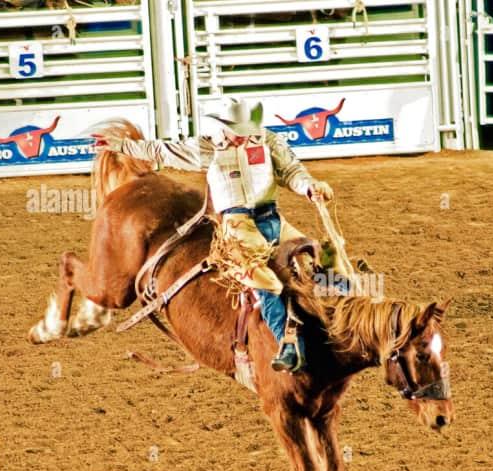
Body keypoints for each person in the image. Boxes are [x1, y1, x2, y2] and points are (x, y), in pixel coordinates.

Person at [92, 98, 334, 374]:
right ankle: (286, 343)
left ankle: (350, 303)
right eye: (238, 131)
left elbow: (291, 171)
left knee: (324, 253)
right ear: (225, 127)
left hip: (272, 218)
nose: (243, 137)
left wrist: (309, 187)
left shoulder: (267, 141)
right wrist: (123, 146)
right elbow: (164, 151)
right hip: (236, 224)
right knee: (265, 281)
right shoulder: (208, 148)